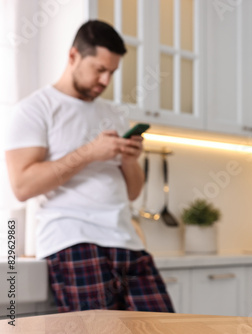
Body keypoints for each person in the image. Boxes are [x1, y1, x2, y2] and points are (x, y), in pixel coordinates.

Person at [4, 20, 174, 313]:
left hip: (127, 241)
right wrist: (88, 153)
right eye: (100, 69)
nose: (106, 80)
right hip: (73, 239)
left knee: (165, 328)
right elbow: (22, 186)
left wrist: (130, 160)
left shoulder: (115, 114)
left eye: (112, 72)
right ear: (73, 56)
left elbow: (133, 192)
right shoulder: (34, 110)